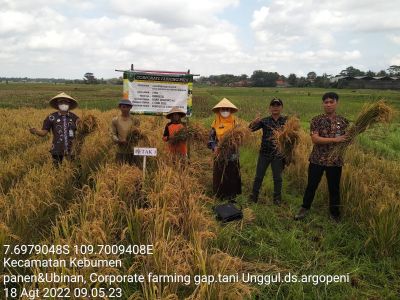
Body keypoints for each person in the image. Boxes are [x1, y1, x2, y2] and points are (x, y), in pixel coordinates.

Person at [295, 92, 349, 222]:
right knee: (311, 185)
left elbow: (347, 139)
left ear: (337, 103)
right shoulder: (316, 120)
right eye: (326, 102)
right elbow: (315, 139)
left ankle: (334, 214)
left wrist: (349, 138)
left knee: (334, 188)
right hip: (317, 159)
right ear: (323, 104)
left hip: (335, 161)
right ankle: (304, 208)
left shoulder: (344, 122)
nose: (329, 104)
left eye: (332, 102)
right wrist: (335, 140)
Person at [249, 98, 287, 205]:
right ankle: (254, 196)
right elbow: (250, 130)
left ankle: (277, 199)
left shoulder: (286, 121)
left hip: (278, 155)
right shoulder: (264, 121)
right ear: (270, 108)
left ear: (281, 107)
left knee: (278, 178)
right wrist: (254, 122)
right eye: (273, 105)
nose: (275, 107)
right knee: (258, 176)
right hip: (264, 154)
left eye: (277, 105)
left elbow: (292, 136)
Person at [29, 92, 80, 165]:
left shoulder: (74, 117)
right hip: (57, 149)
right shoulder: (51, 117)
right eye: (61, 102)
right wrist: (35, 131)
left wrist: (88, 123)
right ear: (57, 104)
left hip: (72, 148)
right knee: (56, 170)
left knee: (73, 169)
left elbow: (82, 127)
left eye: (66, 102)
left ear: (69, 104)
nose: (63, 103)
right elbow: (44, 133)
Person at [208, 98, 242, 199]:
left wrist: (236, 142)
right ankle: (219, 194)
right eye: (223, 109)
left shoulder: (235, 123)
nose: (225, 111)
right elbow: (211, 138)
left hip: (232, 153)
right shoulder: (215, 123)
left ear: (230, 111)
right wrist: (215, 147)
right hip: (219, 152)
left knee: (231, 172)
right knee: (220, 172)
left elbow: (239, 136)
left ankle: (231, 194)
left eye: (227, 109)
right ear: (219, 110)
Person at [110, 99, 141, 165]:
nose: (125, 109)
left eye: (127, 107)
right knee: (120, 171)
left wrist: (133, 139)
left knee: (134, 170)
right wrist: (118, 140)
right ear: (119, 107)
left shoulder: (135, 120)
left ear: (130, 108)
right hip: (120, 151)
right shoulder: (115, 120)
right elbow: (113, 134)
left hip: (132, 150)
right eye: (123, 107)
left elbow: (138, 134)